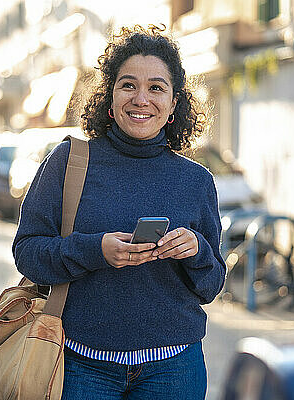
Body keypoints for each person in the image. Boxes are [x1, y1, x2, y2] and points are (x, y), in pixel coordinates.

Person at [12, 25, 226, 400]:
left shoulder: (196, 181)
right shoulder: (68, 162)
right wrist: (97, 251)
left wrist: (196, 250)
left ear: (174, 103)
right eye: (128, 85)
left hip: (173, 371)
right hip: (81, 367)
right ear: (109, 98)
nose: (141, 98)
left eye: (156, 88)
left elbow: (210, 285)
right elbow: (27, 253)